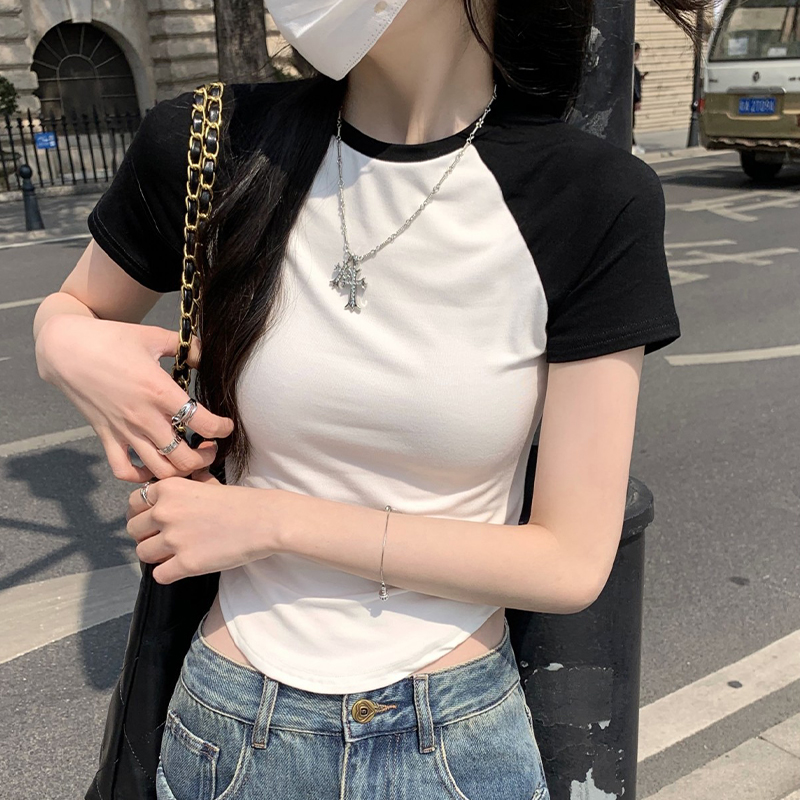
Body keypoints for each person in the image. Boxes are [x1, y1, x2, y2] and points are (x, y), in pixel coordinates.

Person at [32, 0, 699, 797]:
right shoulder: (217, 142)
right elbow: (74, 311)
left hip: (452, 742)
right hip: (228, 731)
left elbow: (570, 561)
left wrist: (272, 521)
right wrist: (64, 344)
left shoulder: (590, 196)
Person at [633, 42, 647, 154]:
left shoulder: (633, 68)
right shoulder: (631, 69)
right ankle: (632, 145)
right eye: (638, 53)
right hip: (632, 101)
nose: (639, 55)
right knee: (630, 123)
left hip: (632, 101)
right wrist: (637, 100)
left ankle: (633, 144)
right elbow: (634, 86)